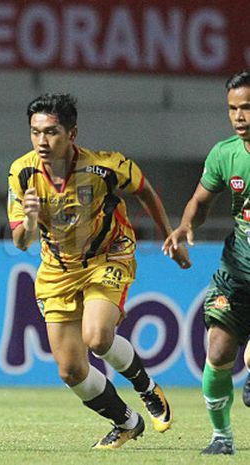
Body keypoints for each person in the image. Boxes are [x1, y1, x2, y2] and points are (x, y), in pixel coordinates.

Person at [7, 93, 190, 449]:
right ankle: (126, 422)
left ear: (72, 134)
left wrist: (169, 235)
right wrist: (30, 218)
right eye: (35, 132)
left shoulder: (105, 167)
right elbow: (20, 242)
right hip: (58, 269)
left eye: (52, 132)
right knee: (70, 370)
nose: (42, 141)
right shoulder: (23, 172)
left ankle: (147, 388)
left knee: (97, 336)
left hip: (108, 256)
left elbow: (145, 190)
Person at [164, 69, 250, 455]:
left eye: (247, 108)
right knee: (217, 352)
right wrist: (183, 226)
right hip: (237, 270)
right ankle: (221, 438)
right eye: (233, 109)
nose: (239, 117)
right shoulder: (224, 154)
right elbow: (200, 202)